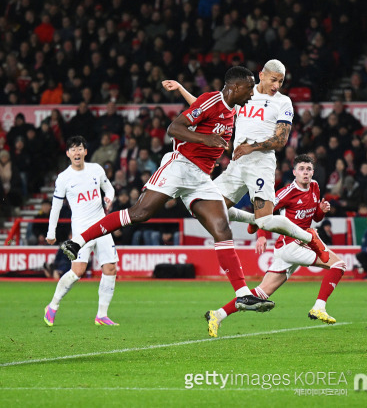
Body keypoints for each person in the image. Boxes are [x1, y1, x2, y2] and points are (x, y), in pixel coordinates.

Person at [60, 67, 273, 313]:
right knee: (140, 213)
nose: (251, 93)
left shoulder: (230, 107)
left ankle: (242, 295)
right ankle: (77, 242)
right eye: (249, 88)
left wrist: (183, 90)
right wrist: (206, 140)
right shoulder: (213, 100)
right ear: (235, 87)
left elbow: (199, 107)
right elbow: (174, 128)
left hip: (200, 178)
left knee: (222, 229)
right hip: (179, 166)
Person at [164, 59, 329, 263]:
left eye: (281, 81)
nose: (276, 86)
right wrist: (180, 88)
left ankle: (309, 237)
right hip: (237, 163)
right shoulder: (245, 94)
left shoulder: (283, 102)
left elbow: (281, 139)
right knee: (200, 207)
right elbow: (208, 107)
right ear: (261, 75)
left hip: (260, 163)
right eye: (273, 80)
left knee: (267, 222)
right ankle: (251, 219)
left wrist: (251, 146)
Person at [204, 155, 345, 337]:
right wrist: (261, 236)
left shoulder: (315, 187)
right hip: (292, 244)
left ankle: (218, 314)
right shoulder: (286, 193)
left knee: (261, 293)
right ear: (294, 172)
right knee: (338, 265)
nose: (305, 172)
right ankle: (319, 307)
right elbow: (263, 214)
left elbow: (314, 218)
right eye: (301, 169)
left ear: (312, 172)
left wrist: (321, 211)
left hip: (293, 246)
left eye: (309, 169)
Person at [44, 136, 119, 326]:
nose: (77, 152)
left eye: (80, 148)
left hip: (102, 226)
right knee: (77, 271)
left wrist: (109, 198)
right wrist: (51, 232)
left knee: (110, 267)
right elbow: (56, 207)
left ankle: (101, 315)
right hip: (81, 231)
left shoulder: (96, 169)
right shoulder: (64, 178)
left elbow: (109, 189)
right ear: (68, 154)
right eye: (73, 149)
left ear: (85, 151)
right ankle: (52, 306)